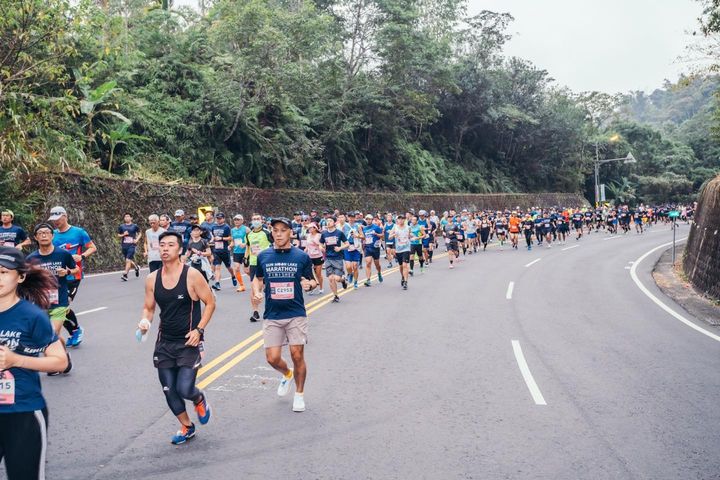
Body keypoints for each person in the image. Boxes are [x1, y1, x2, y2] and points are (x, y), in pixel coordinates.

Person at [137, 231, 215, 445]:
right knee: (169, 390)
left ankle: (199, 398)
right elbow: (149, 307)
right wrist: (145, 321)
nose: (164, 248)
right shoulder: (152, 278)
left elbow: (210, 302)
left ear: (180, 250)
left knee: (184, 389)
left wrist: (199, 330)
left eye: (170, 245)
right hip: (165, 342)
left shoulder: (192, 275)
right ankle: (187, 426)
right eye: (162, 245)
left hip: (189, 341)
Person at [0, 246, 68, 480]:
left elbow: (60, 361)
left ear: (20, 277)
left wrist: (15, 359)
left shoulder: (32, 315)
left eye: (3, 272)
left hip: (22, 412)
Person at [253, 218, 317, 413]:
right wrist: (256, 291)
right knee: (272, 359)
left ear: (291, 233)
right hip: (272, 314)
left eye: (283, 230)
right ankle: (287, 374)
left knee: (297, 354)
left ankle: (299, 395)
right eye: (275, 230)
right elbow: (258, 278)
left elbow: (312, 280)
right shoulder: (264, 256)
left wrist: (310, 285)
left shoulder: (301, 256)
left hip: (295, 312)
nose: (279, 233)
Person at [26, 223, 78, 376]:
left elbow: (76, 269)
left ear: (52, 235)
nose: (43, 235)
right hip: (39, 302)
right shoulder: (31, 258)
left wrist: (67, 271)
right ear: (35, 237)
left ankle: (57, 362)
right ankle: (63, 357)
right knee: (45, 336)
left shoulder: (63, 254)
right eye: (40, 233)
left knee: (52, 333)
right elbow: (25, 279)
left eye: (46, 232)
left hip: (59, 300)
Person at [49, 206, 96, 348]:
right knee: (55, 308)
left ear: (65, 216)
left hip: (73, 276)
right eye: (53, 220)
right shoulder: (52, 235)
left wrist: (81, 256)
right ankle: (74, 330)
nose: (55, 222)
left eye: (58, 219)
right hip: (55, 277)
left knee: (63, 305)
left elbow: (92, 247)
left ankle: (75, 331)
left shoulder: (79, 232)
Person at [245, 214, 273, 322]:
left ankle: (270, 309)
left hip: (265, 263)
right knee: (254, 288)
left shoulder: (266, 233)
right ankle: (255, 312)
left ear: (262, 221)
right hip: (253, 263)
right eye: (254, 219)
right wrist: (245, 260)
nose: (256, 221)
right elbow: (248, 247)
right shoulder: (249, 234)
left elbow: (274, 244)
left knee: (269, 288)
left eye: (258, 219)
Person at [319, 216, 348, 302]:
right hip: (328, 258)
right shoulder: (324, 234)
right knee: (331, 278)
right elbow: (320, 244)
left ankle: (343, 280)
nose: (328, 222)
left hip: (338, 258)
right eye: (327, 221)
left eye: (330, 221)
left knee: (337, 278)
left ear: (334, 223)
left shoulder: (339, 233)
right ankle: (336, 296)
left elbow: (347, 244)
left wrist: (340, 248)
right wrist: (321, 247)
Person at [210, 213, 233, 291]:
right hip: (216, 250)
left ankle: (233, 276)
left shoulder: (226, 227)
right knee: (217, 267)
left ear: (223, 219)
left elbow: (230, 238)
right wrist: (212, 240)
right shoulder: (213, 227)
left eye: (220, 218)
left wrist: (221, 238)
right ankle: (217, 283)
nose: (218, 220)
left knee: (228, 267)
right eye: (217, 218)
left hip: (224, 250)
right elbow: (213, 236)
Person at [360, 214, 384, 287]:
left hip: (375, 248)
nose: (368, 220)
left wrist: (376, 234)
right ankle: (368, 280)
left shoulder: (376, 227)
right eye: (367, 219)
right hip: (367, 248)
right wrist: (362, 241)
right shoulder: (364, 229)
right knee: (368, 263)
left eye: (369, 219)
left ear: (372, 220)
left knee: (377, 265)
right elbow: (363, 237)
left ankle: (379, 273)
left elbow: (382, 236)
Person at [118, 213, 142, 281]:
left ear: (131, 218)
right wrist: (123, 234)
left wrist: (137, 240)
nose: (126, 218)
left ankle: (125, 275)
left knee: (128, 260)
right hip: (124, 245)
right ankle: (136, 267)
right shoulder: (121, 226)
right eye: (125, 217)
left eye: (128, 216)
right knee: (128, 260)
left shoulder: (134, 226)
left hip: (132, 245)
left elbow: (140, 233)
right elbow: (118, 235)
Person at [389, 216, 411, 289]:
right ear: (397, 220)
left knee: (405, 265)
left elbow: (410, 236)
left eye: (402, 219)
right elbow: (389, 237)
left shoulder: (408, 227)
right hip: (398, 249)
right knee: (401, 266)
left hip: (406, 248)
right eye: (399, 219)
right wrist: (393, 235)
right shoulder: (395, 227)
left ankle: (405, 282)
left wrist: (413, 237)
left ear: (404, 220)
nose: (401, 220)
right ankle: (402, 276)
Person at [304, 223, 324, 295]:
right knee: (310, 273)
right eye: (308, 228)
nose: (309, 229)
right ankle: (312, 287)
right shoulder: (308, 236)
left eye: (310, 228)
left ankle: (321, 288)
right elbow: (307, 246)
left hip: (318, 256)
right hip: (310, 256)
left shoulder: (319, 235)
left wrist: (316, 242)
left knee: (318, 274)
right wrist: (304, 252)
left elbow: (321, 245)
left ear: (315, 228)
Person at [230, 215, 248, 293]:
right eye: (235, 220)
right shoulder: (233, 230)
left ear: (242, 220)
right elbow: (233, 240)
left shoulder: (246, 229)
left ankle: (257, 281)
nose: (236, 221)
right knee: (236, 268)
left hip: (245, 251)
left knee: (247, 270)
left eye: (238, 220)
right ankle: (241, 285)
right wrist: (230, 245)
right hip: (236, 251)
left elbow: (251, 239)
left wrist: (245, 244)